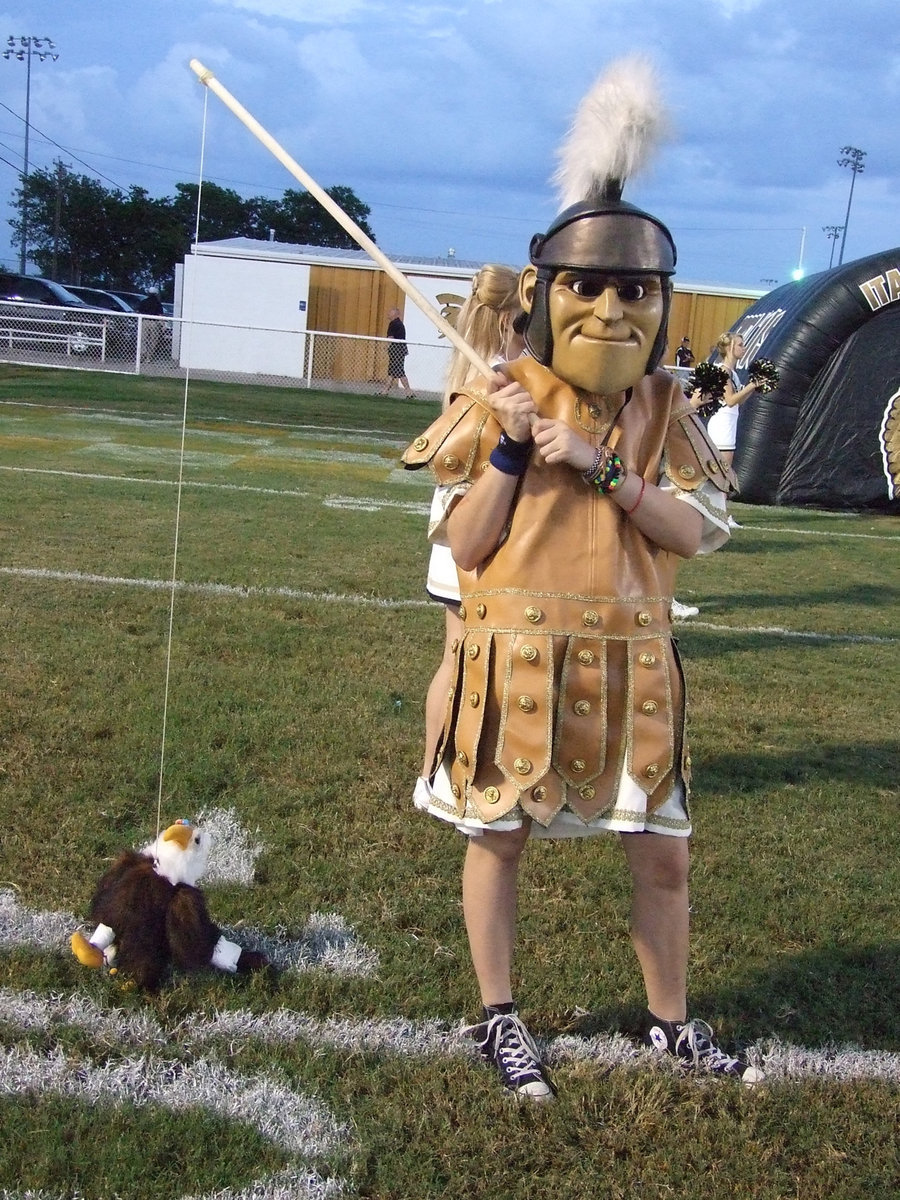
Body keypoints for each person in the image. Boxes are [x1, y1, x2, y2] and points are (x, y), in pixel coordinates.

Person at [403, 58, 761, 1101]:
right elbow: (467, 548)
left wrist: (598, 464)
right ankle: (499, 1016)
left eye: (635, 288)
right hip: (510, 654)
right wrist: (516, 450)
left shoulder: (665, 408)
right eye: (589, 285)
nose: (612, 306)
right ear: (547, 296)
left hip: (634, 662)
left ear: (661, 300)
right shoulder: (495, 398)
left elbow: (695, 534)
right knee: (499, 841)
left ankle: (670, 1023)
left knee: (664, 858)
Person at [416, 265, 526, 791]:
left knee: (456, 657)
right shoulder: (500, 376)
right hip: (478, 528)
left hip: (463, 522)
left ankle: (433, 773)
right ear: (511, 319)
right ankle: (440, 773)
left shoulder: (469, 370)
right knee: (466, 661)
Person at [692, 331, 759, 469]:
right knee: (723, 476)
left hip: (728, 426)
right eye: (740, 345)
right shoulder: (722, 371)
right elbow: (730, 400)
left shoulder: (733, 373)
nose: (744, 348)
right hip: (722, 429)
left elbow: (738, 402)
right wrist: (751, 385)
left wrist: (754, 387)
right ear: (729, 348)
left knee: (723, 476)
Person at [382, 306, 415, 396]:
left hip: (396, 350)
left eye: (390, 312)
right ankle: (385, 391)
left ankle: (409, 392)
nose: (388, 314)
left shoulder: (393, 324)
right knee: (392, 371)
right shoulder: (399, 324)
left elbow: (391, 338)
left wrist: (386, 347)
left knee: (399, 371)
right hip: (401, 350)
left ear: (395, 314)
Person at [138, 288, 164, 361]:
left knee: (143, 339)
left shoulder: (143, 302)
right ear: (156, 294)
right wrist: (162, 325)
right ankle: (149, 357)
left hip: (144, 321)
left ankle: (142, 355)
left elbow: (139, 312)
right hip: (154, 322)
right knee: (153, 340)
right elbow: (160, 314)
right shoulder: (158, 303)